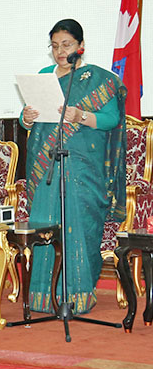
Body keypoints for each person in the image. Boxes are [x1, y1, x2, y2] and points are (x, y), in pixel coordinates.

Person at [21, 18, 126, 314]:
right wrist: (27, 117)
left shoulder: (97, 80)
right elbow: (27, 121)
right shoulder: (44, 76)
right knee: (44, 224)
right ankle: (43, 295)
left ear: (81, 47)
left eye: (66, 45)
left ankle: (77, 295)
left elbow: (111, 119)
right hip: (47, 168)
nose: (59, 52)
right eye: (54, 46)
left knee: (78, 225)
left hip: (82, 167)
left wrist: (80, 115)